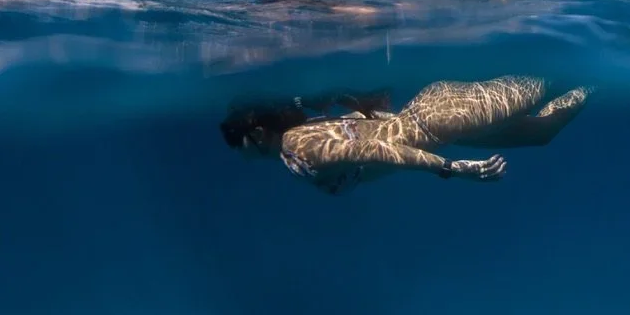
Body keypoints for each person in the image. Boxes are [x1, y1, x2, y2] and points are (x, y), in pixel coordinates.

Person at [220, 76, 590, 195]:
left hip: (439, 119)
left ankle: (589, 74)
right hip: (439, 120)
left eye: (234, 142)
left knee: (548, 82)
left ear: (256, 133)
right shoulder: (303, 136)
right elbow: (367, 133)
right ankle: (593, 84)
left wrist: (450, 168)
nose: (235, 151)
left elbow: (376, 149)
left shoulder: (297, 147)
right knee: (541, 132)